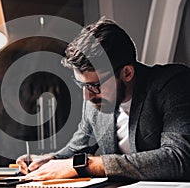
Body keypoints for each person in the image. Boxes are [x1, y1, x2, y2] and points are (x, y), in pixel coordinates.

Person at [16, 17, 190, 181]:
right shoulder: (94, 99)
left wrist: (86, 165)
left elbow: (179, 158)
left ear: (127, 73)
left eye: (94, 85)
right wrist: (49, 160)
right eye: (82, 85)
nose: (87, 96)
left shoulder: (172, 84)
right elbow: (77, 149)